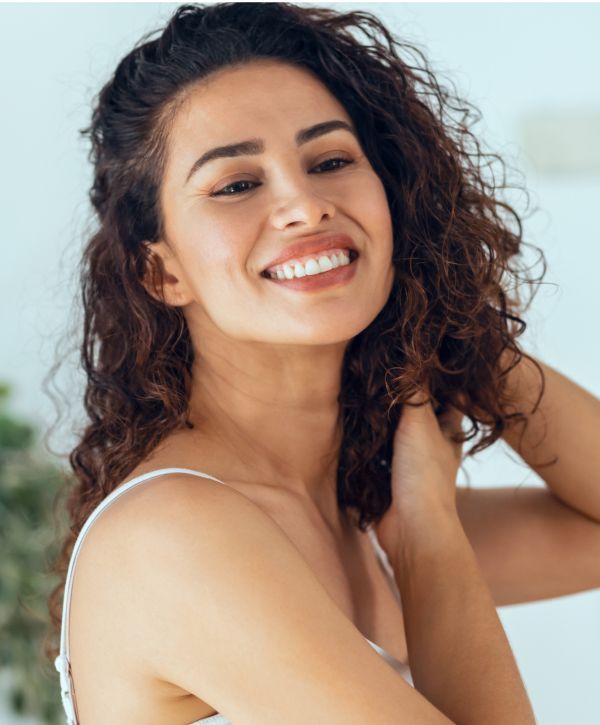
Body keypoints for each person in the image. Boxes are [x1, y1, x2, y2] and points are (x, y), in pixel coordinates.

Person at [45, 2, 600, 723]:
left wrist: (455, 324)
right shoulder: (170, 534)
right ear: (162, 273)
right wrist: (429, 536)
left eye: (331, 161)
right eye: (237, 184)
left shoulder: (362, 523)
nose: (305, 205)